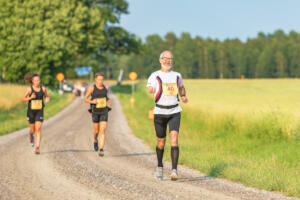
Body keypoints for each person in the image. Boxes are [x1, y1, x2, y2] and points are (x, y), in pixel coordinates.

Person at [147, 50, 188, 181]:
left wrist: (183, 96)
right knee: (161, 142)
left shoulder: (177, 75)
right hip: (159, 112)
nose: (167, 61)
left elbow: (181, 87)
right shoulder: (154, 75)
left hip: (174, 111)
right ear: (160, 60)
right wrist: (151, 90)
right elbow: (150, 88)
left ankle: (174, 170)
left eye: (170, 59)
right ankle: (159, 167)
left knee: (174, 138)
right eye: (165, 58)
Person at [84, 72, 111, 156]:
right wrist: (92, 101)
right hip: (95, 111)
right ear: (96, 79)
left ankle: (101, 149)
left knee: (102, 130)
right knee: (96, 131)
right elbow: (85, 99)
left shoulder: (106, 87)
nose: (100, 81)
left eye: (102, 80)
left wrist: (108, 101)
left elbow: (106, 97)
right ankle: (95, 141)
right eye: (99, 79)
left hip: (104, 111)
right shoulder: (92, 88)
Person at [22, 73, 50, 154]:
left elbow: (46, 96)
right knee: (32, 130)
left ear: (40, 80)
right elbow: (23, 99)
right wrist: (30, 97)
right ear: (32, 81)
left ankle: (37, 147)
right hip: (31, 112)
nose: (37, 82)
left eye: (38, 80)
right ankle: (31, 137)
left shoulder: (43, 89)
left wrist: (47, 98)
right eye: (35, 81)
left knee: (38, 129)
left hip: (39, 111)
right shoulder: (29, 89)